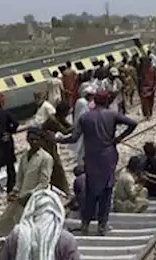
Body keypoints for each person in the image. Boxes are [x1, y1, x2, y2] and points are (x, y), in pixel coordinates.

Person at [57, 92, 137, 236]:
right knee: (107, 191)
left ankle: (85, 225)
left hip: (92, 158)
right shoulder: (112, 115)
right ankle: (102, 225)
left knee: (90, 192)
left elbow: (74, 138)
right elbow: (133, 123)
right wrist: (118, 138)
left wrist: (58, 140)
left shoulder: (85, 117)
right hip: (108, 156)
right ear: (107, 101)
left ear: (94, 101)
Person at [0, 128, 54, 241]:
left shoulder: (46, 158)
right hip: (21, 196)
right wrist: (14, 190)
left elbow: (44, 182)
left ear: (41, 141)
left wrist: (29, 195)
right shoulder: (25, 156)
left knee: (29, 224)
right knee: (6, 219)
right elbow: (20, 177)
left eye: (36, 140)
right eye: (31, 139)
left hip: (36, 197)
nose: (33, 142)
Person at [69, 88, 93, 169]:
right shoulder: (83, 103)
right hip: (83, 129)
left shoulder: (80, 101)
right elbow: (82, 116)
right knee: (82, 148)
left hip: (81, 128)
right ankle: (81, 165)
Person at [139, 54, 156, 119]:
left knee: (147, 102)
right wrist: (155, 86)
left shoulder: (142, 70)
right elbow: (155, 78)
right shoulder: (152, 69)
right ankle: (149, 114)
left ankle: (148, 114)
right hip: (149, 88)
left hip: (146, 88)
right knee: (149, 102)